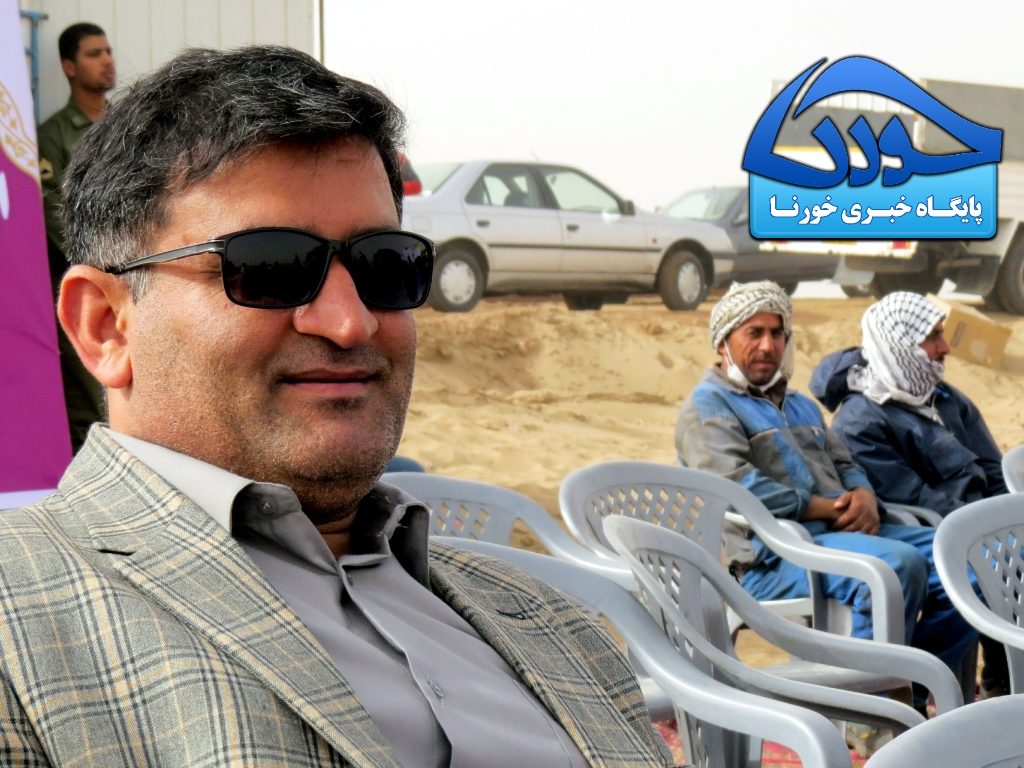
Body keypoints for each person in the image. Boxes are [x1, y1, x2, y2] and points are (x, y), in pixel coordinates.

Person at [1, 46, 672, 768]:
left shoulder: (550, 619)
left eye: (386, 264)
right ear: (106, 325)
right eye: (270, 266)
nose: (351, 323)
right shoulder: (21, 621)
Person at [675, 281, 975, 684]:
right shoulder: (709, 406)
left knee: (969, 559)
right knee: (896, 565)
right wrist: (825, 508)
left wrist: (864, 493)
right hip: (772, 557)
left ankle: (917, 686)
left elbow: (844, 461)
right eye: (754, 333)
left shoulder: (799, 404)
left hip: (842, 533)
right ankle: (870, 705)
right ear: (723, 342)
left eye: (777, 334)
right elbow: (735, 488)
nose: (767, 346)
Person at [811, 290, 1009, 697]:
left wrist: (1009, 519)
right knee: (989, 568)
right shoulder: (861, 420)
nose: (944, 348)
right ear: (900, 344)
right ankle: (913, 690)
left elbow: (992, 469)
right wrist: (990, 532)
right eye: (932, 338)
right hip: (937, 530)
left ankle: (1004, 684)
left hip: (974, 524)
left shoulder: (944, 396)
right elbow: (919, 501)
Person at [37, 22, 115, 452]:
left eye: (108, 51)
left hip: (142, 278)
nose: (107, 61)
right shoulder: (53, 137)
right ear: (69, 67)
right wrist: (110, 261)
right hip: (90, 282)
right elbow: (55, 216)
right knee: (93, 404)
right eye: (93, 54)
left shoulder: (130, 125)